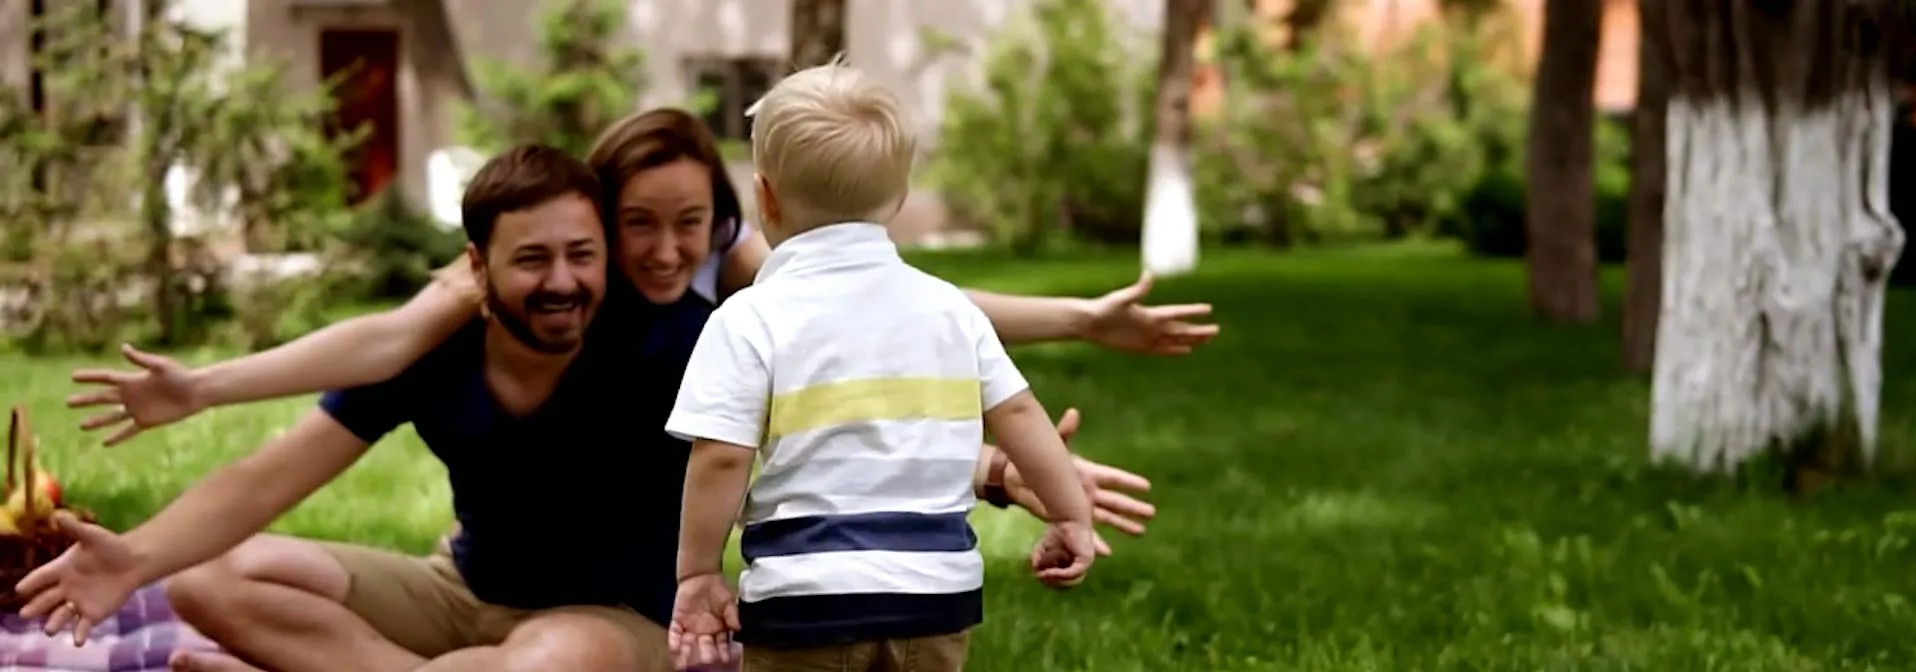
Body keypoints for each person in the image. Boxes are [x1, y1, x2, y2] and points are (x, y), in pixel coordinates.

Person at [30, 111, 1187, 670]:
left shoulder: (691, 337)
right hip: (459, 590)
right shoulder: (438, 339)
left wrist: (1009, 468)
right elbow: (269, 473)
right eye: (535, 259)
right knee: (222, 578)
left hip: (605, 627)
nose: (569, 279)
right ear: (476, 268)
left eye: (587, 252)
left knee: (547, 668)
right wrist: (136, 558)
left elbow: (863, 366)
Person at [664, 64, 1096, 672]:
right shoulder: (951, 308)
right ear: (899, 197)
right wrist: (1070, 513)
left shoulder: (748, 319)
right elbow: (1019, 412)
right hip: (936, 602)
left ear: (765, 196)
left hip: (805, 604)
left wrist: (698, 571)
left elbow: (722, 456)